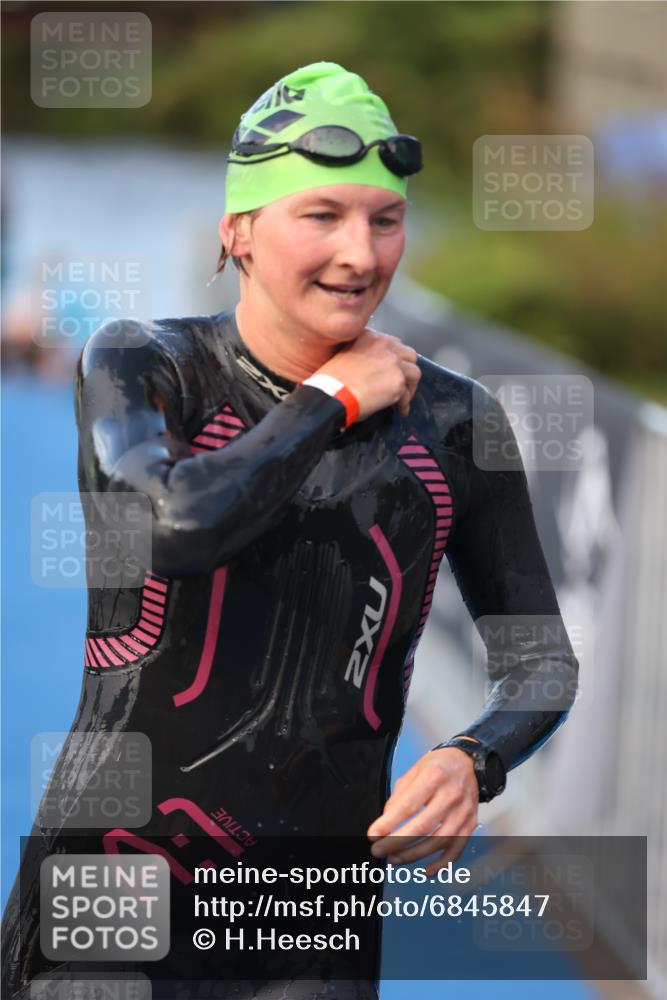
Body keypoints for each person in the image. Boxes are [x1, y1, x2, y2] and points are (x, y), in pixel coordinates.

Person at [1, 62, 578, 999]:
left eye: (383, 220)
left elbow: (540, 659)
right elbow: (169, 525)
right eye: (321, 216)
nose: (360, 254)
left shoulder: (455, 424)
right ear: (238, 231)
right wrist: (325, 403)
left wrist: (475, 756)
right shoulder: (145, 364)